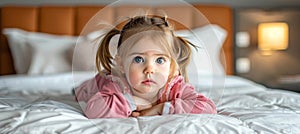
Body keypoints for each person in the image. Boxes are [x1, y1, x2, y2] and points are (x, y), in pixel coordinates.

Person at [75, 15, 217, 118]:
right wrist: (134, 102)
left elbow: (209, 108)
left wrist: (161, 108)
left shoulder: (173, 87)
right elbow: (93, 110)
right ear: (121, 64)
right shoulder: (116, 84)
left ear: (171, 67)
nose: (150, 69)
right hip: (93, 85)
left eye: (160, 60)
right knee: (82, 91)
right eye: (138, 59)